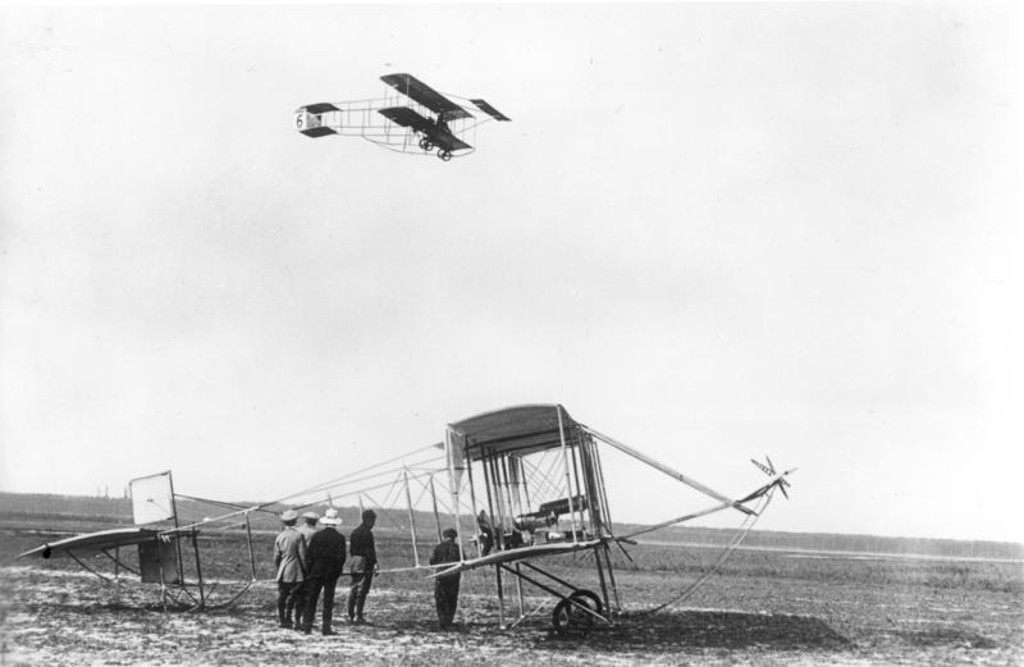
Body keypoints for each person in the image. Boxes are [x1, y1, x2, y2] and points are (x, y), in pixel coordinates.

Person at [302, 508, 346, 636]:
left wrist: (310, 570)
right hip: (331, 573)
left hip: (316, 572)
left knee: (312, 599)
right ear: (336, 522)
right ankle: (326, 628)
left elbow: (309, 555)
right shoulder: (340, 538)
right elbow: (341, 558)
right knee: (328, 600)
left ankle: (307, 626)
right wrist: (337, 572)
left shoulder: (317, 536)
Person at [273, 509, 306, 629]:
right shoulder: (299, 535)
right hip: (296, 570)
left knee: (282, 595)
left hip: (283, 569)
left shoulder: (280, 536)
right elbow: (302, 555)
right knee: (297, 596)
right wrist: (305, 570)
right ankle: (294, 619)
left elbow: (276, 557)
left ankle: (283, 619)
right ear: (295, 521)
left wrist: (279, 568)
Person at [347, 509, 377, 624]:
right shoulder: (368, 533)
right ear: (368, 520)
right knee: (362, 590)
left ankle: (350, 614)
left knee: (353, 588)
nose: (374, 524)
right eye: (373, 521)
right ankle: (358, 615)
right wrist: (374, 564)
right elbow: (370, 551)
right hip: (364, 562)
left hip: (354, 561)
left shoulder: (354, 532)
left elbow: (351, 550)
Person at [429, 528, 462, 629]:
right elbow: (463, 560)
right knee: (451, 599)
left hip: (441, 576)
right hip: (453, 577)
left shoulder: (439, 547)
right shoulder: (457, 548)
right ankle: (449, 620)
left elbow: (432, 561)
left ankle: (442, 620)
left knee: (440, 598)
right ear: (454, 537)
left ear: (444, 537)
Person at [292, 511, 320, 631]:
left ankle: (296, 619)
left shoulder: (298, 531)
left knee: (298, 594)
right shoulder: (316, 533)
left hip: (297, 565)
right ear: (314, 521)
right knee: (308, 595)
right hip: (310, 566)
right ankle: (305, 620)